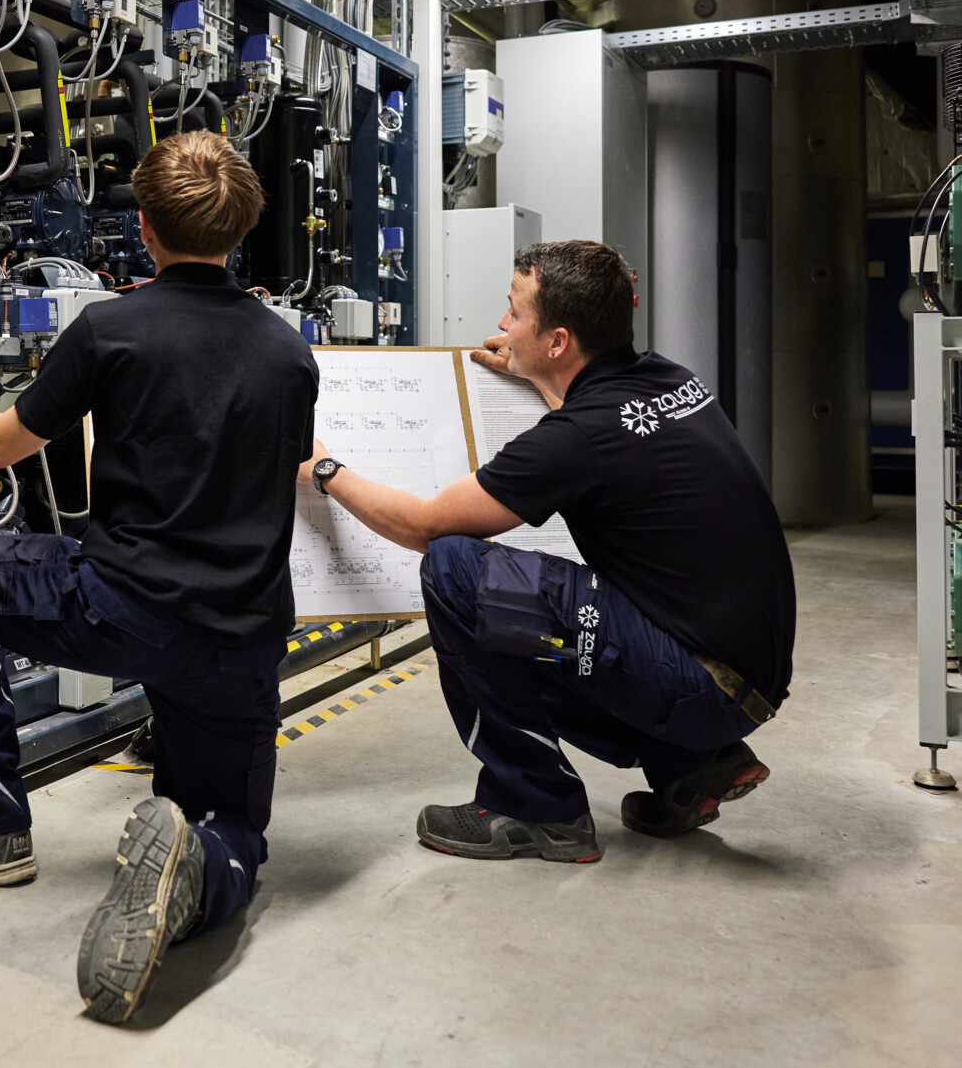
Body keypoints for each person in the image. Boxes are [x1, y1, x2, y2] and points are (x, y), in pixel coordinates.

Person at [0, 131, 317, 1023]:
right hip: (243, 633)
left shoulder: (110, 327)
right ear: (238, 233)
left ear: (145, 230)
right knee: (233, 824)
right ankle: (200, 868)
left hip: (124, 608)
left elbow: (2, 443)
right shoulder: (288, 350)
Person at [299, 240, 794, 863]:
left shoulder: (575, 439)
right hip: (744, 677)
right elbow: (597, 426)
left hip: (700, 686)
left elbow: (425, 525)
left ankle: (535, 808)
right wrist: (533, 372)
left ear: (558, 341)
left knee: (457, 567)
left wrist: (325, 469)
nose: (503, 326)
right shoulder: (668, 379)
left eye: (514, 313)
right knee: (545, 622)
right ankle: (693, 766)